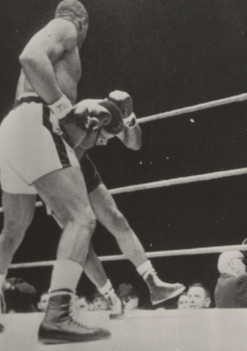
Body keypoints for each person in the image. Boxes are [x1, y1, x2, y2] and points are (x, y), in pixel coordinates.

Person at [0, 0, 118, 343]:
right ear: (83, 22)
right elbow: (30, 57)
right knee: (82, 218)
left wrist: (76, 122)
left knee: (13, 229)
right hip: (37, 122)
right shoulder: (65, 27)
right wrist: (65, 109)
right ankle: (58, 315)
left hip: (16, 129)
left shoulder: (58, 52)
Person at [58, 90, 185, 316]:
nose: (105, 144)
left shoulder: (108, 114)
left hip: (80, 163)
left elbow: (135, 144)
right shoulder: (82, 115)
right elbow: (67, 159)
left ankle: (154, 284)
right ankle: (110, 298)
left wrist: (129, 118)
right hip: (56, 168)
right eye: (104, 138)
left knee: (117, 219)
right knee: (81, 240)